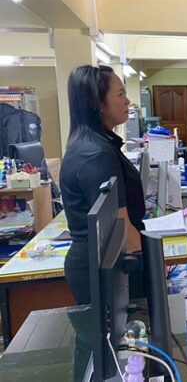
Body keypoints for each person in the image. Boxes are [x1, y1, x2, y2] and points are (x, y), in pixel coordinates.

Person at [60, 65, 144, 304]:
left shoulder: (91, 144)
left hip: (102, 262)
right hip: (104, 269)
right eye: (120, 94)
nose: (127, 101)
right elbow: (121, 228)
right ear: (96, 102)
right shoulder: (97, 154)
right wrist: (152, 267)